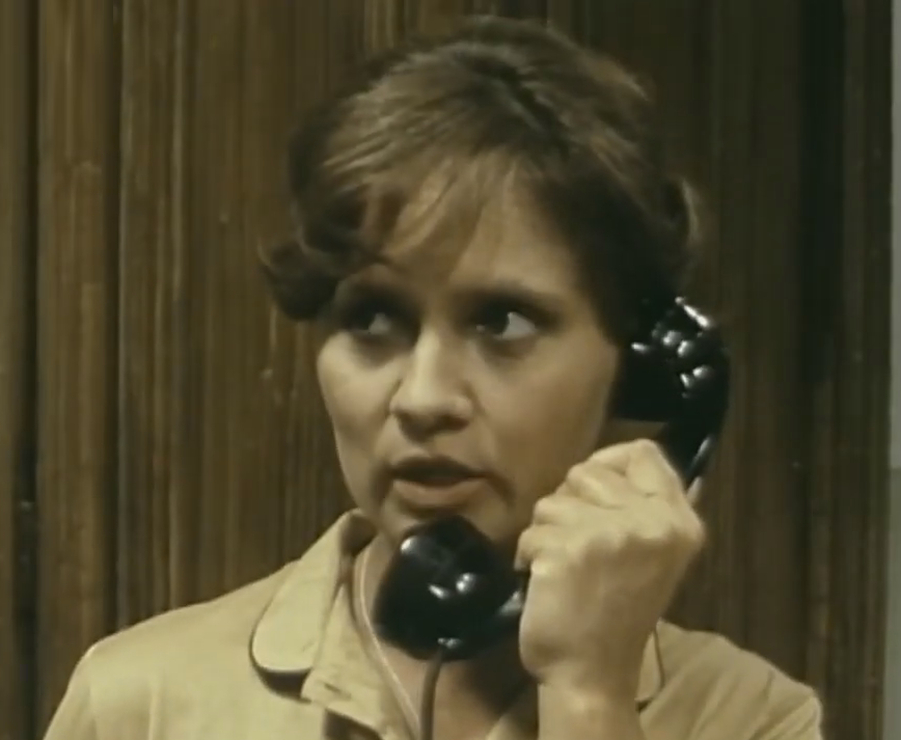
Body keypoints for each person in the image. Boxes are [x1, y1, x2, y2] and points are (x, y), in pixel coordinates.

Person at [43, 15, 822, 740]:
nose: (421, 399)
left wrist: (588, 691)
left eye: (501, 323)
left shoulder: (751, 717)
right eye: (372, 319)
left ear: (634, 364)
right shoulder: (142, 702)